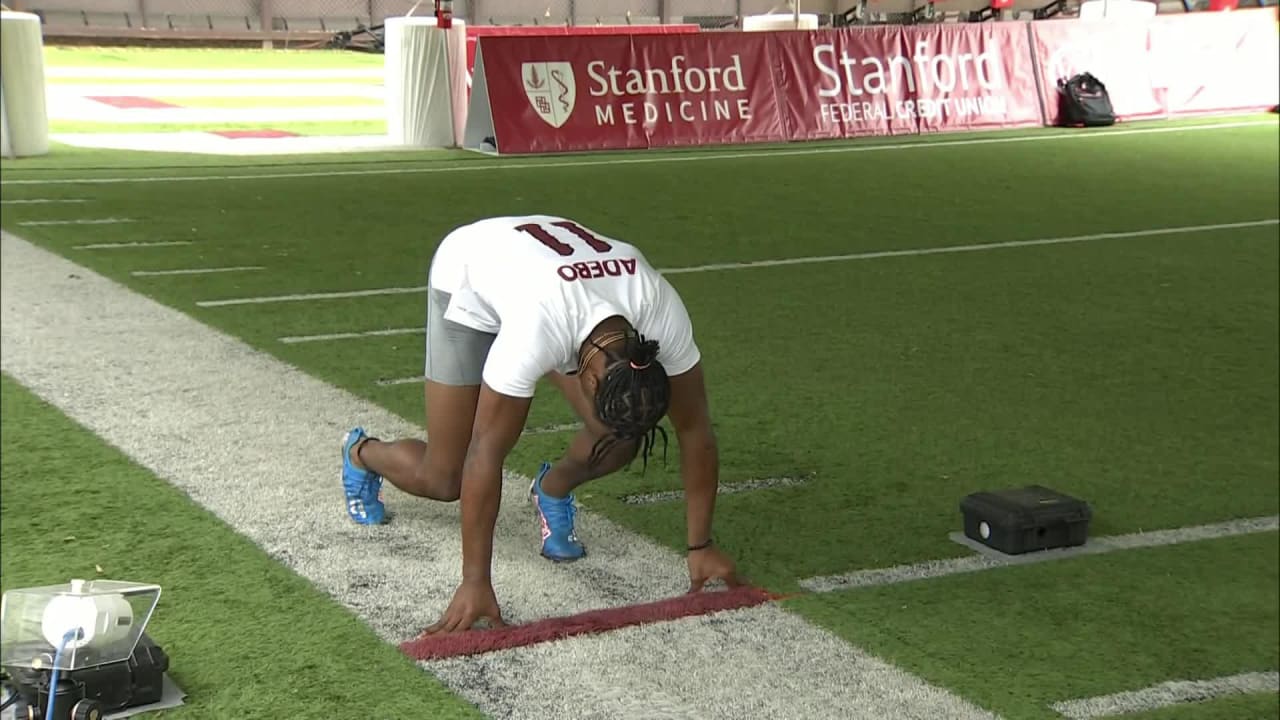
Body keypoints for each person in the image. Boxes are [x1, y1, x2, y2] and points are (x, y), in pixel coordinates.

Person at [340, 214, 741, 633]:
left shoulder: (657, 312)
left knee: (618, 435)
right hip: (470, 272)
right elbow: (486, 450)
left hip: (556, 290)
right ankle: (361, 452)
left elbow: (695, 429)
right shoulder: (537, 329)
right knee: (444, 479)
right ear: (585, 375)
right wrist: (475, 582)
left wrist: (702, 545)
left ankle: (551, 490)